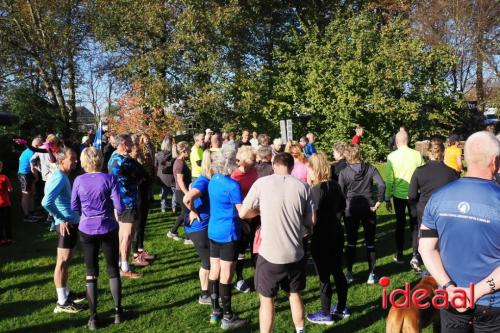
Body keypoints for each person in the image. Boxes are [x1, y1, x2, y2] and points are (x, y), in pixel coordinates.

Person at [419, 131, 500, 333]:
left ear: (465, 158)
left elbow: (425, 248)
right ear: (495, 161)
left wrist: (449, 287)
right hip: (492, 303)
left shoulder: (438, 197)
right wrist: (474, 293)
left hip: (451, 297)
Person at [239, 153, 314, 333]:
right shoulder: (303, 187)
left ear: (273, 165)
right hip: (295, 252)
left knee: (266, 300)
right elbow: (311, 220)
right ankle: (300, 330)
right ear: (292, 167)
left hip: (269, 254)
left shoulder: (261, 183)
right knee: (294, 295)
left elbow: (243, 213)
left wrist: (258, 212)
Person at [71, 147, 124, 329]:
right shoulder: (110, 178)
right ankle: (118, 312)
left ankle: (93, 317)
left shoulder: (78, 180)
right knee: (112, 269)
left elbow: (74, 205)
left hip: (87, 228)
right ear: (101, 159)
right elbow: (120, 206)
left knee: (91, 271)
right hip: (108, 225)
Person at [206, 147, 248, 329]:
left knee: (214, 270)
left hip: (213, 230)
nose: (238, 164)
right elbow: (242, 212)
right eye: (236, 161)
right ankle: (228, 316)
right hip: (228, 233)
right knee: (226, 274)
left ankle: (215, 312)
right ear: (230, 164)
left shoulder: (213, 180)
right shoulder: (233, 185)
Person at [305, 153, 349, 325]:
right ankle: (341, 307)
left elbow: (312, 217)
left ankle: (325, 313)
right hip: (336, 231)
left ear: (314, 169)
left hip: (321, 235)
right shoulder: (335, 185)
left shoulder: (316, 190)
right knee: (337, 271)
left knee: (324, 275)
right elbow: (342, 206)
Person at [42, 147, 85, 313]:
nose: (75, 161)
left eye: (75, 158)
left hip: (70, 223)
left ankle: (66, 293)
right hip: (66, 225)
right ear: (61, 161)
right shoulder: (59, 177)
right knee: (62, 262)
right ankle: (62, 302)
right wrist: (61, 218)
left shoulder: (62, 175)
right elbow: (46, 202)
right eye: (72, 158)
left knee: (66, 261)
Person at [408, 140, 458, 273]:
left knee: (425, 239)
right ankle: (442, 266)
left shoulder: (419, 171)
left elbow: (412, 195)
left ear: (428, 152)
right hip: (444, 211)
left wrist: (417, 205)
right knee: (442, 240)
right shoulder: (452, 173)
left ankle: (420, 260)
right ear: (443, 153)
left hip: (425, 210)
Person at [339, 144, 385, 284]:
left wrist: (342, 207)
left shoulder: (344, 172)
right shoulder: (371, 168)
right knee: (370, 242)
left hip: (351, 209)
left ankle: (349, 273)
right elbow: (382, 185)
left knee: (352, 242)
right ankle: (371, 274)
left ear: (347, 155)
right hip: (368, 208)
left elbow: (340, 193)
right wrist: (379, 201)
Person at [108, 134, 145, 278]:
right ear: (123, 144)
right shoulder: (121, 161)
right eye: (130, 141)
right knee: (127, 235)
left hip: (124, 201)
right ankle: (124, 267)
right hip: (125, 202)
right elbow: (140, 174)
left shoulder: (119, 158)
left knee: (123, 235)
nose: (132, 143)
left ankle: (119, 264)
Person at [384, 131, 423, 264]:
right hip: (414, 194)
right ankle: (415, 254)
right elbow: (422, 174)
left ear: (396, 141)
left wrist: (387, 198)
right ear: (408, 140)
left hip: (398, 196)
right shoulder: (417, 154)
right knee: (415, 224)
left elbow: (389, 180)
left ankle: (400, 254)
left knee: (400, 224)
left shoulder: (391, 156)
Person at [182, 150, 213, 305]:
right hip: (199, 228)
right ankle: (205, 295)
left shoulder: (206, 179)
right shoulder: (204, 181)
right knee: (207, 262)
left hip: (202, 226)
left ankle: (210, 291)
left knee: (209, 261)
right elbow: (187, 198)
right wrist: (193, 211)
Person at [231, 146, 258, 293]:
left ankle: (258, 276)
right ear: (243, 161)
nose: (255, 162)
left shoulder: (254, 171)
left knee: (257, 247)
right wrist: (241, 221)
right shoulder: (234, 176)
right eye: (252, 160)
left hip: (255, 214)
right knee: (240, 250)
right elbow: (233, 201)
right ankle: (239, 279)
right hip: (240, 217)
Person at [129, 144, 154, 266]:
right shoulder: (129, 164)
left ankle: (140, 248)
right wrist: (142, 179)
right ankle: (135, 254)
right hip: (137, 196)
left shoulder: (136, 162)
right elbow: (134, 179)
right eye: (136, 151)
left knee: (142, 224)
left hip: (144, 195)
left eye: (139, 150)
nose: (138, 152)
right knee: (137, 225)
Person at [167, 141, 192, 243]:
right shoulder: (179, 163)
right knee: (186, 214)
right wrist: (187, 193)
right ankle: (188, 238)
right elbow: (180, 181)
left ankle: (173, 232)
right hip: (181, 192)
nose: (190, 151)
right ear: (184, 151)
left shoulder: (181, 161)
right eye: (189, 149)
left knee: (184, 213)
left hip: (181, 191)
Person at [18, 137, 43, 222]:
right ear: (36, 145)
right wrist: (36, 177)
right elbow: (34, 168)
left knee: (32, 193)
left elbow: (20, 159)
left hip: (28, 174)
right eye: (41, 145)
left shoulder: (29, 150)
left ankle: (32, 212)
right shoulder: (32, 152)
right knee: (26, 195)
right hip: (24, 175)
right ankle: (26, 216)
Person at [155, 136, 177, 213]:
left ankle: (163, 207)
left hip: (162, 176)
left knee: (164, 192)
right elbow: (173, 163)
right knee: (174, 191)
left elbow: (156, 165)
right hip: (170, 175)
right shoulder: (173, 154)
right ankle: (174, 207)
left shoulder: (158, 154)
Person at [0, 161, 13, 246]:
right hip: (5, 203)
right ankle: (8, 238)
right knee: (7, 221)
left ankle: (1, 239)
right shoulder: (4, 177)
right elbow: (10, 189)